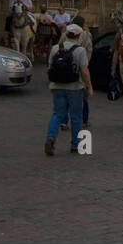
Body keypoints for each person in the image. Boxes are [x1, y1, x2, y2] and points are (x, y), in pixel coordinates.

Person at [45, 23, 91, 155]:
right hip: (75, 87)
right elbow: (84, 71)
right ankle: (75, 145)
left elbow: (50, 67)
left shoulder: (55, 49)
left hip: (57, 86)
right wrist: (89, 87)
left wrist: (51, 84)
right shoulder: (80, 50)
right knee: (76, 116)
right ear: (78, 35)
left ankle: (50, 138)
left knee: (57, 114)